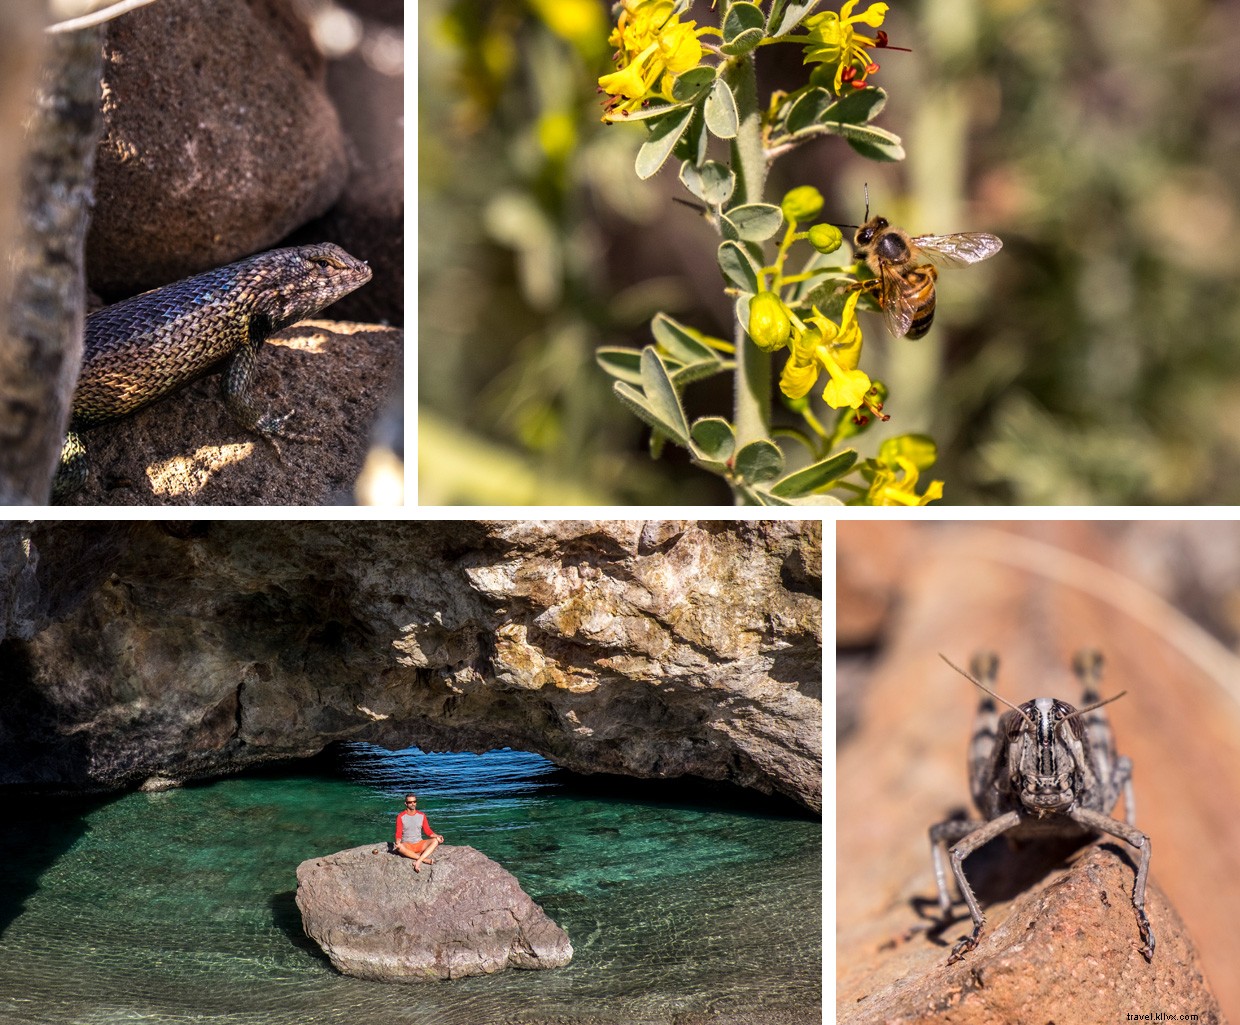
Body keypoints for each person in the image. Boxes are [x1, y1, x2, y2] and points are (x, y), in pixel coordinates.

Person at [394, 794, 443, 872]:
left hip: (420, 843)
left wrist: (438, 836)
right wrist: (398, 841)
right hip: (407, 845)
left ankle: (419, 861)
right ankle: (425, 860)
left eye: (414, 801)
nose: (413, 804)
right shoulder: (401, 816)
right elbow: (398, 832)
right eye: (410, 802)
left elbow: (428, 831)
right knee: (399, 847)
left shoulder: (421, 815)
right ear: (406, 803)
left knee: (435, 840)